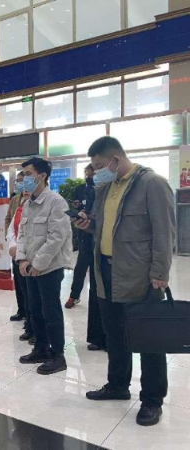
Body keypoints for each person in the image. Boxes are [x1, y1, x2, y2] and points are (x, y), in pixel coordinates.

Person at [74, 136, 175, 427]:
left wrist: (160, 273)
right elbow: (106, 228)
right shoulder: (107, 188)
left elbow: (165, 233)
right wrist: (88, 225)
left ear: (115, 160)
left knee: (148, 340)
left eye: (99, 166)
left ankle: (152, 400)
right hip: (106, 272)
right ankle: (118, 385)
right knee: (115, 335)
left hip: (139, 276)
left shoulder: (152, 184)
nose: (95, 173)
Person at [16, 157, 73, 375]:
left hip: (49, 267)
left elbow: (57, 237)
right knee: (35, 310)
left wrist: (38, 264)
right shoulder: (27, 203)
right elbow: (22, 234)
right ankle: (41, 348)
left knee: (51, 312)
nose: (24, 179)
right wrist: (22, 259)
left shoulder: (56, 202)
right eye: (23, 175)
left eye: (28, 174)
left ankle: (58, 355)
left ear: (42, 176)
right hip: (30, 267)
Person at [66, 165, 96, 309]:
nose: (88, 177)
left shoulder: (103, 189)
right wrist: (79, 209)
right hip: (84, 232)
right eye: (86, 174)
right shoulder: (80, 189)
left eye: (91, 175)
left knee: (96, 269)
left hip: (98, 234)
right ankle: (74, 295)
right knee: (80, 266)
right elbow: (77, 204)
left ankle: (96, 300)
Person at [7, 185, 34, 343]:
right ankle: (29, 326)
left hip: (33, 257)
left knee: (34, 296)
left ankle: (38, 331)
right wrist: (12, 245)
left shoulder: (50, 204)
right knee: (24, 290)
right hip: (18, 255)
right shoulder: (19, 207)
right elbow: (12, 229)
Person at [5, 171, 26, 322]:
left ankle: (30, 315)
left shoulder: (34, 199)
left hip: (26, 248)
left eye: (22, 180)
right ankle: (21, 310)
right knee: (18, 282)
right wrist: (10, 241)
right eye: (17, 181)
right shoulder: (15, 199)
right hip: (14, 247)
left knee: (27, 284)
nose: (19, 183)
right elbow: (8, 219)